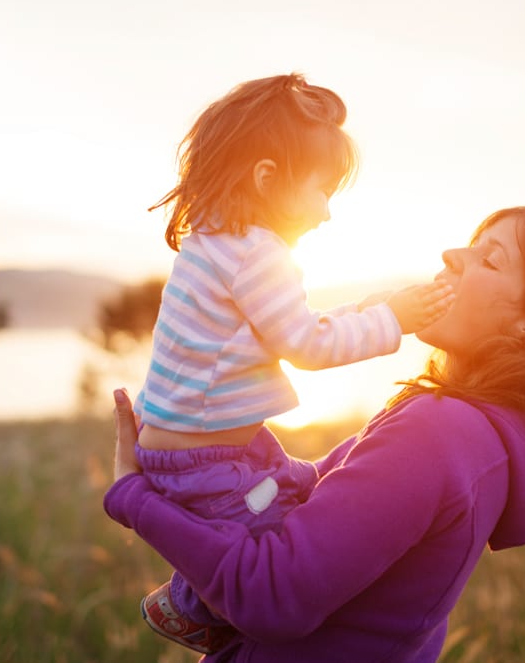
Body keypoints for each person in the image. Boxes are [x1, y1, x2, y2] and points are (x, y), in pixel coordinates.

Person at [106, 206, 525, 662]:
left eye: (490, 259)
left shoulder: (441, 434)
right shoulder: (476, 434)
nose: (452, 257)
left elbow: (273, 596)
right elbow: (313, 489)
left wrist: (136, 497)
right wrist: (222, 439)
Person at [132, 72, 452, 652]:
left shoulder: (215, 240)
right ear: (267, 179)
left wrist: (374, 306)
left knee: (297, 490)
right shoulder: (260, 253)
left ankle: (194, 596)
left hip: (199, 449)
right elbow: (307, 345)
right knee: (273, 541)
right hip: (205, 461)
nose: (328, 213)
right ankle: (191, 605)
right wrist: (395, 322)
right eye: (322, 190)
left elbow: (293, 323)